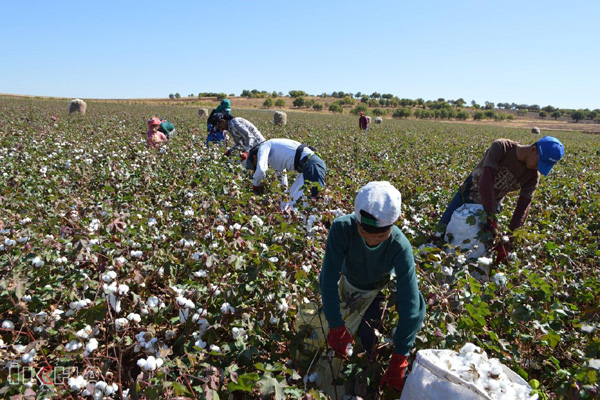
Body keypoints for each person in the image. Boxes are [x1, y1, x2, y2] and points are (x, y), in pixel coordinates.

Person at [320, 181, 426, 393]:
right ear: (357, 222)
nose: (370, 240)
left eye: (379, 236)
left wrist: (400, 357)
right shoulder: (342, 228)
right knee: (319, 336)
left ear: (393, 225)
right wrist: (335, 325)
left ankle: (361, 386)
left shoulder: (400, 246)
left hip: (375, 291)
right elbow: (328, 278)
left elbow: (410, 303)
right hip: (346, 285)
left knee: (368, 340)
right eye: (364, 233)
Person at [438, 136, 565, 261]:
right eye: (539, 163)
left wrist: (508, 240)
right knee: (440, 233)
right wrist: (492, 219)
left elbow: (523, 208)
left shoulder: (533, 176)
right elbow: (485, 183)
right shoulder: (502, 147)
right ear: (533, 150)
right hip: (467, 195)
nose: (538, 168)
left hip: (493, 202)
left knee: (481, 247)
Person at [243, 138, 326, 206]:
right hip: (307, 168)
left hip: (312, 166)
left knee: (312, 203)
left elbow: (261, 169)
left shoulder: (264, 146)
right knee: (289, 202)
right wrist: (283, 193)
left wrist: (255, 186)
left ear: (254, 157)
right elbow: (281, 175)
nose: (255, 166)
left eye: (254, 164)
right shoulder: (275, 156)